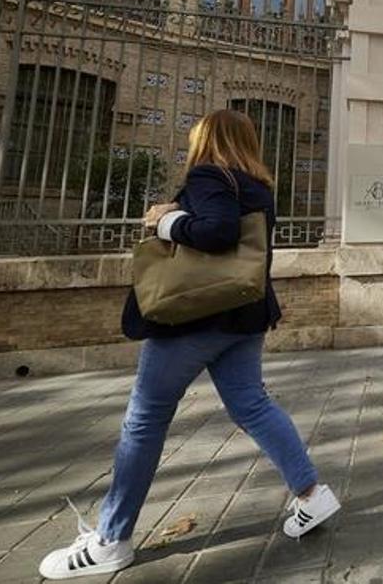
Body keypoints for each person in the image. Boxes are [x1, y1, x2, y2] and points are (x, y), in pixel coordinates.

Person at [39, 110, 339, 580]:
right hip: (244, 313)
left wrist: (166, 220)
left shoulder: (208, 176)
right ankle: (312, 495)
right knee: (252, 405)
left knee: (145, 418)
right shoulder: (257, 185)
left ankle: (111, 539)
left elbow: (216, 232)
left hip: (197, 315)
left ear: (206, 141)